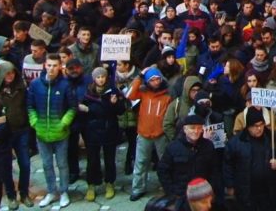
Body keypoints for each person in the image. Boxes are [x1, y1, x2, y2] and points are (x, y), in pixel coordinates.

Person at [26, 53, 75, 208]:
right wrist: (34, 122)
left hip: (61, 133)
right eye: (49, 65)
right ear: (44, 66)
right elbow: (30, 106)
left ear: (60, 67)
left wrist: (64, 123)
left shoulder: (65, 85)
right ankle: (52, 191)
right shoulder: (35, 84)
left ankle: (64, 191)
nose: (52, 68)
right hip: (42, 133)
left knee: (62, 164)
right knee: (47, 164)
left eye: (55, 65)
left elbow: (73, 107)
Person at [223, 109, 276, 210]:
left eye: (261, 124)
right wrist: (230, 185)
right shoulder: (236, 143)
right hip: (246, 192)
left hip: (268, 192)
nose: (259, 128)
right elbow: (228, 164)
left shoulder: (273, 138)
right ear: (248, 127)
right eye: (255, 126)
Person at [127, 66, 172, 201]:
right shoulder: (143, 92)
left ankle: (167, 187)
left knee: (165, 162)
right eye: (152, 80)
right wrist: (139, 77)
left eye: (158, 79)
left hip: (161, 134)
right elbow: (129, 95)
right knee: (140, 162)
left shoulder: (167, 95)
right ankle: (138, 188)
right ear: (147, 82)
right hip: (144, 133)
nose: (156, 82)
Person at [81, 67, 125, 201]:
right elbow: (83, 110)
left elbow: (121, 111)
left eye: (103, 77)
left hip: (109, 129)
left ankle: (110, 183)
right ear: (94, 79)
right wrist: (84, 109)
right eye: (98, 77)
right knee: (92, 160)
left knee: (109, 159)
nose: (100, 79)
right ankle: (91, 185)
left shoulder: (113, 91)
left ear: (106, 78)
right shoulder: (88, 92)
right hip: (92, 131)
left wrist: (115, 104)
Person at [0, 62, 32, 209]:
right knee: (5, 167)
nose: (10, 76)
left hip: (22, 131)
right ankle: (11, 195)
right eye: (7, 73)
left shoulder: (21, 88)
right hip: (4, 135)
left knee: (25, 164)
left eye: (12, 73)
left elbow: (28, 105)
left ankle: (24, 193)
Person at [158, 115, 221, 209]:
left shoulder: (208, 146)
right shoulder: (173, 147)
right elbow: (163, 171)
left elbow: (215, 169)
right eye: (192, 128)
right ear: (185, 129)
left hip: (202, 195)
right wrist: (172, 192)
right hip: (181, 196)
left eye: (199, 128)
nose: (196, 131)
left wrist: (211, 188)